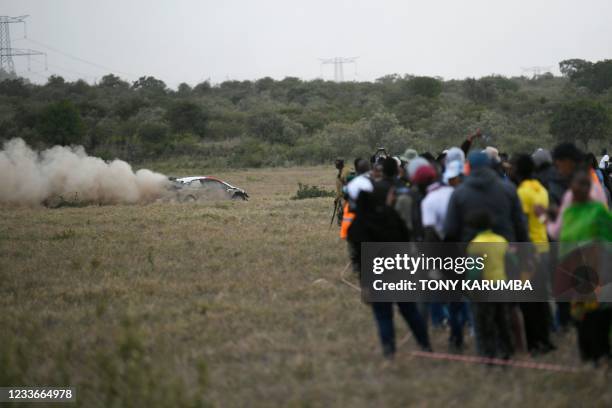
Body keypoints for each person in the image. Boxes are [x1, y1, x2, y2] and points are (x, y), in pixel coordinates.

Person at [360, 158, 432, 358]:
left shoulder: (364, 223)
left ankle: (389, 352)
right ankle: (425, 345)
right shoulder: (394, 218)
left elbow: (360, 251)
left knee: (383, 315)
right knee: (409, 311)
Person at [557, 170, 612, 364]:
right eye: (574, 186)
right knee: (581, 319)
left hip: (599, 273)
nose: (576, 190)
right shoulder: (570, 212)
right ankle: (589, 362)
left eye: (582, 186)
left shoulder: (598, 212)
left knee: (598, 319)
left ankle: (602, 361)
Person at [509, 154, 555, 355]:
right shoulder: (541, 189)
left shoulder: (522, 192)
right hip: (543, 246)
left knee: (528, 302)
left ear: (519, 170)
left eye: (513, 166)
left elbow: (521, 224)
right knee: (541, 298)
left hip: (529, 251)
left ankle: (535, 343)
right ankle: (546, 339)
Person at [466, 210, 514, 360]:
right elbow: (512, 263)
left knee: (484, 324)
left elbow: (474, 273)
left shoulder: (475, 245)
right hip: (501, 285)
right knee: (502, 321)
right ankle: (506, 352)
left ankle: (488, 355)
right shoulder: (501, 240)